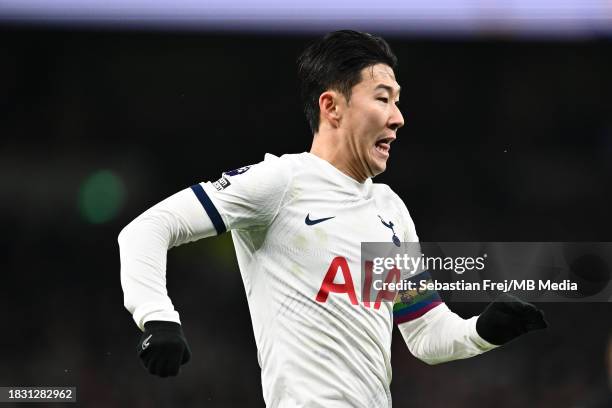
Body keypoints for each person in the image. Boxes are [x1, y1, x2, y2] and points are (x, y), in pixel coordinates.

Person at [118, 30, 547, 407]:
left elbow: (425, 333)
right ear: (332, 107)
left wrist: (483, 330)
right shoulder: (281, 182)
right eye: (383, 98)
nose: (399, 118)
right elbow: (148, 229)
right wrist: (158, 316)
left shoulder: (390, 210)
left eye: (398, 101)